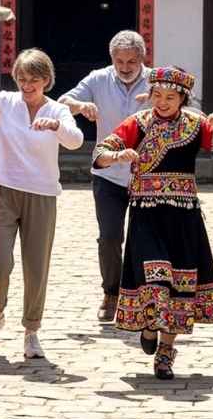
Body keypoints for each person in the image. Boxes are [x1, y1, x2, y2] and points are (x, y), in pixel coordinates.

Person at [93, 66, 213, 379]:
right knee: (155, 276)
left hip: (183, 217)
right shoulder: (138, 123)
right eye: (157, 95)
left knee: (179, 283)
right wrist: (117, 157)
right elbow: (101, 152)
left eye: (170, 97)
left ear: (182, 99)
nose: (162, 102)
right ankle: (150, 326)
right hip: (146, 215)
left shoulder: (195, 124)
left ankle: (165, 352)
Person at [0, 49, 84, 359]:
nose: (27, 85)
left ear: (46, 80)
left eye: (33, 79)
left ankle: (31, 330)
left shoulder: (57, 110)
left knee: (36, 266)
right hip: (1, 189)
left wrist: (56, 127)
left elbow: (75, 140)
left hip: (41, 194)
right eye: (21, 79)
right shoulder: (5, 102)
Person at [59, 30, 150, 322]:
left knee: (146, 239)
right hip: (108, 173)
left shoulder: (156, 81)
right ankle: (111, 292)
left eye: (131, 62)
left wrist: (163, 100)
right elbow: (63, 101)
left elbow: (188, 105)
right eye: (119, 61)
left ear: (142, 58)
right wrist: (80, 106)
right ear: (112, 59)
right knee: (109, 237)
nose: (125, 67)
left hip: (148, 174)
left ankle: (142, 295)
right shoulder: (98, 79)